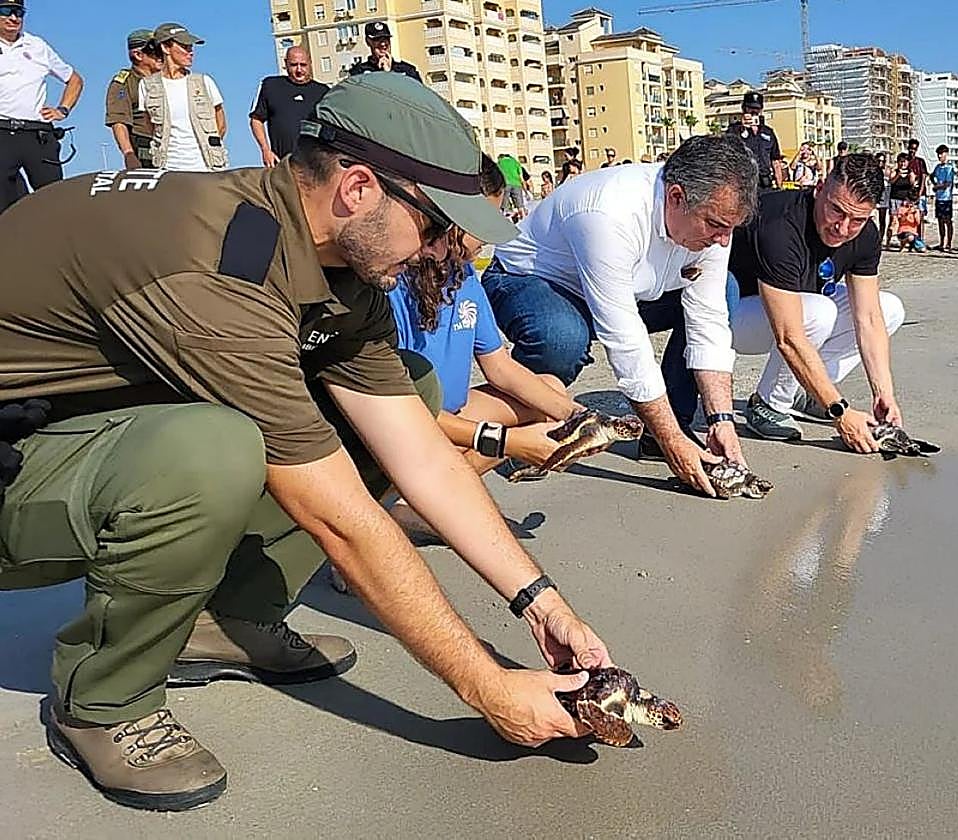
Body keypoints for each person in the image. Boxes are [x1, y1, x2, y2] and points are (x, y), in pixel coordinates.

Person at [0, 73, 611, 812]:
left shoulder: (326, 257)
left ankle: (221, 620)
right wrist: (487, 686)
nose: (444, 252)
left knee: (406, 386)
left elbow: (417, 453)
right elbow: (338, 517)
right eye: (437, 226)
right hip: (16, 465)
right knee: (211, 449)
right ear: (358, 189)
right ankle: (100, 700)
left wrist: (542, 605)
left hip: (76, 429)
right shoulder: (218, 267)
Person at [480, 135, 758, 497]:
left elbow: (708, 320)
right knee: (562, 336)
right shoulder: (608, 213)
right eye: (716, 225)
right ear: (676, 197)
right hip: (531, 279)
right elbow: (626, 341)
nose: (723, 241)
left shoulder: (712, 217)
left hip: (632, 288)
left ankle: (669, 428)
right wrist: (671, 437)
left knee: (725, 290)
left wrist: (721, 420)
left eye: (731, 229)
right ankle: (526, 429)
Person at [390, 156, 582, 476]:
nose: (490, 235)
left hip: (452, 412)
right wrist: (509, 442)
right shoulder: (393, 283)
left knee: (551, 390)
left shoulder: (463, 272)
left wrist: (579, 416)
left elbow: (501, 368)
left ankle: (438, 492)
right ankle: (426, 498)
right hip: (408, 422)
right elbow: (402, 409)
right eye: (483, 223)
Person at [729, 153, 905, 452]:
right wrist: (840, 413)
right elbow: (789, 337)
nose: (843, 227)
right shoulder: (780, 225)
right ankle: (768, 405)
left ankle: (805, 391)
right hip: (731, 314)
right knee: (819, 312)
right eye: (836, 210)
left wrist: (884, 393)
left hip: (791, 308)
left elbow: (869, 319)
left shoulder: (864, 236)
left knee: (888, 309)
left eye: (858, 220)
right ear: (819, 187)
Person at [0, 0, 83, 212]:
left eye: (19, 12)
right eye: (6, 11)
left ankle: (57, 243)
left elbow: (74, 79)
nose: (13, 18)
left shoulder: (37, 46)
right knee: (5, 204)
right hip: (2, 134)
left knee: (53, 199)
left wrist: (62, 109)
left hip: (37, 134)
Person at [138, 22, 227, 172]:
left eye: (191, 47)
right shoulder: (147, 86)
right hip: (168, 169)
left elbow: (221, 123)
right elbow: (149, 127)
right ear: (165, 48)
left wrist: (211, 147)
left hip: (208, 168)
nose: (190, 52)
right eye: (184, 46)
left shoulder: (204, 82)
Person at [249, 46, 329, 167]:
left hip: (314, 165)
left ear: (310, 63)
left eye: (303, 65)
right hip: (281, 164)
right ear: (285, 64)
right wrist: (265, 150)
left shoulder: (323, 91)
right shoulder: (270, 85)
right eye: (293, 65)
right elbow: (256, 120)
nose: (299, 70)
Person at [104, 29, 161, 170]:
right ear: (138, 55)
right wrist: (129, 154)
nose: (161, 56)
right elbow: (119, 121)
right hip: (146, 147)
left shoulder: (167, 79)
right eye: (155, 52)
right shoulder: (125, 82)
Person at [726, 90, 784, 191]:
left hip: (765, 183)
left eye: (757, 109)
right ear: (744, 108)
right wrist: (742, 128)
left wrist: (780, 186)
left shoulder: (768, 132)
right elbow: (728, 153)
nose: (754, 112)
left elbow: (775, 160)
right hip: (745, 184)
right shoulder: (734, 130)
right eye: (750, 108)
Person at [347, 21, 420, 80]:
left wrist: (389, 72)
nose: (383, 44)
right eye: (377, 39)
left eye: (385, 38)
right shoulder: (358, 73)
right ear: (368, 42)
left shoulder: (407, 71)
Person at [887, 152, 918, 249]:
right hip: (895, 198)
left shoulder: (910, 172)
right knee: (893, 220)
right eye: (901, 162)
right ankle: (888, 240)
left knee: (904, 221)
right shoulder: (894, 171)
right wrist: (898, 175)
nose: (903, 164)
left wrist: (911, 177)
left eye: (904, 162)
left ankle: (903, 242)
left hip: (905, 200)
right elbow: (891, 181)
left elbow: (913, 184)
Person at [931, 144, 956, 251]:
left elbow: (948, 183)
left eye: (942, 154)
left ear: (946, 154)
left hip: (947, 199)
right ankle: (942, 242)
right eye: (938, 154)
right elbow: (932, 176)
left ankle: (949, 243)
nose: (940, 156)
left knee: (948, 221)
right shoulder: (937, 167)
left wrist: (937, 187)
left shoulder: (949, 168)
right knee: (940, 221)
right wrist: (934, 183)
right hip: (938, 198)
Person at [906, 138, 930, 238]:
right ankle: (910, 239)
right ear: (908, 148)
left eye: (915, 149)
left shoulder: (920, 162)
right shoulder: (905, 161)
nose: (912, 151)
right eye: (911, 148)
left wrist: (919, 195)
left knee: (920, 217)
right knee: (909, 218)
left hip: (921, 193)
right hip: (908, 195)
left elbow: (924, 177)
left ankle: (920, 239)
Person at [496, 153, 530, 221]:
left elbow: (497, 176)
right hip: (517, 184)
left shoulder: (499, 162)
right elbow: (521, 178)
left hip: (506, 184)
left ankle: (503, 221)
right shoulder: (516, 162)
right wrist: (526, 192)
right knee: (520, 206)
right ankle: (524, 221)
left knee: (504, 207)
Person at [875, 150, 892, 248]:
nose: (880, 163)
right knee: (873, 219)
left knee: (882, 219)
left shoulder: (888, 170)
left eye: (882, 161)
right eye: (879, 161)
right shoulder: (873, 170)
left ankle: (881, 239)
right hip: (875, 196)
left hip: (884, 196)